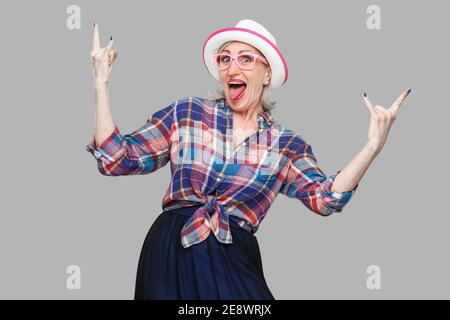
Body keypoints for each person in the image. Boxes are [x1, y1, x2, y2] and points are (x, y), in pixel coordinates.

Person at [86, 19, 410, 300]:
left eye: (245, 59)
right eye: (225, 59)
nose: (232, 67)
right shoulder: (187, 113)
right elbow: (117, 159)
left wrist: (372, 146)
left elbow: (325, 198)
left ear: (266, 73)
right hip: (172, 248)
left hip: (232, 252)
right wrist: (101, 85)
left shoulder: (286, 145)